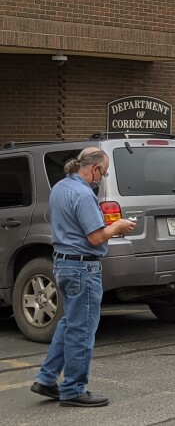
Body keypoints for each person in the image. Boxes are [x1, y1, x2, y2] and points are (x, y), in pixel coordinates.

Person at [32, 147, 136, 408]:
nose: (103, 177)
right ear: (95, 169)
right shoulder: (83, 194)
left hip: (64, 263)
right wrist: (118, 226)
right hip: (82, 268)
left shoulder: (60, 188)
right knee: (82, 329)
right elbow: (96, 236)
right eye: (104, 172)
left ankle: (46, 379)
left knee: (70, 324)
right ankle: (73, 389)